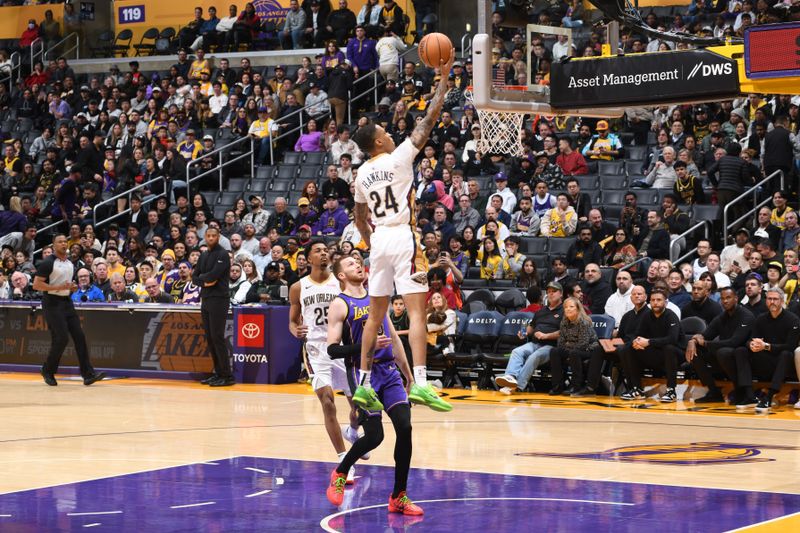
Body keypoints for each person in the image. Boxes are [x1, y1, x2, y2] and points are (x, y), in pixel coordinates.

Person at [350, 48, 456, 413]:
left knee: (375, 316)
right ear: (378, 142)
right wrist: (443, 79)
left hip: (377, 240)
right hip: (401, 236)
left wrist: (368, 241)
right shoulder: (398, 157)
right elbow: (427, 121)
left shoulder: (361, 174)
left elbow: (359, 215)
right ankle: (422, 384)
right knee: (416, 309)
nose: (389, 133)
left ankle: (363, 385)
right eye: (384, 131)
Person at [325, 255, 420, 515]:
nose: (357, 264)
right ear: (341, 275)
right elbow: (332, 349)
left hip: (389, 372)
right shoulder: (340, 304)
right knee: (376, 436)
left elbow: (394, 341)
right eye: (350, 264)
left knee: (405, 426)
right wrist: (366, 346)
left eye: (358, 261)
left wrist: (409, 376)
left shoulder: (378, 298)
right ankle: (341, 472)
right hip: (362, 373)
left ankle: (398, 496)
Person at [289, 241, 361, 482]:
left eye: (324, 250)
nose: (322, 253)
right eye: (317, 250)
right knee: (327, 401)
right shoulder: (298, 287)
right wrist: (294, 330)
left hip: (342, 346)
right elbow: (292, 320)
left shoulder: (340, 281)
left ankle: (352, 431)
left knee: (358, 406)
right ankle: (344, 460)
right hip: (316, 349)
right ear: (308, 257)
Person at [32, 235, 106, 387]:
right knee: (61, 338)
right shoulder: (48, 263)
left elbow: (67, 285)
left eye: (65, 241)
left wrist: (72, 288)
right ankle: (48, 370)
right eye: (60, 242)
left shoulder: (70, 264)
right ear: (54, 245)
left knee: (79, 336)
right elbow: (37, 285)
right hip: (51, 303)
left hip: (66, 302)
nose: (63, 244)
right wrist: (58, 288)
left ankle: (88, 374)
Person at [732, 287, 799, 413]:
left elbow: (791, 346)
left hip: (783, 364)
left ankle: (769, 397)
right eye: (769, 299)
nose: (772, 302)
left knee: (786, 354)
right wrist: (751, 345)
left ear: (782, 301)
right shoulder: (761, 319)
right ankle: (750, 396)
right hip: (764, 362)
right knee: (741, 350)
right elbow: (750, 339)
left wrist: (766, 346)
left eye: (775, 299)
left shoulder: (793, 319)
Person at [686, 286, 754, 404]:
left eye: (728, 298)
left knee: (724, 352)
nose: (725, 301)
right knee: (695, 353)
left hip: (744, 358)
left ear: (736, 298)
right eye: (722, 298)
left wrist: (706, 343)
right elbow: (705, 334)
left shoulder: (746, 316)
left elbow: (735, 342)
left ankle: (740, 390)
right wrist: (693, 341)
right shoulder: (722, 317)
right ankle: (714, 392)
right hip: (723, 356)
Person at [494, 282, 564, 394]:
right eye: (549, 292)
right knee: (517, 351)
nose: (551, 294)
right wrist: (523, 332)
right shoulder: (541, 311)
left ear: (561, 294)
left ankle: (517, 387)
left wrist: (546, 336)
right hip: (535, 343)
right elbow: (531, 326)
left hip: (551, 346)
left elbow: (564, 332)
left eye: (554, 291)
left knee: (534, 356)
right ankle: (510, 378)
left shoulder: (565, 311)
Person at [619, 288, 682, 402]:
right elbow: (638, 334)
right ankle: (636, 389)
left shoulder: (671, 316)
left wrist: (648, 342)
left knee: (669, 348)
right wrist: (636, 342)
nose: (655, 303)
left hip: (675, 354)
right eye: (653, 300)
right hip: (656, 352)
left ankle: (671, 390)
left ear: (665, 302)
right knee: (628, 348)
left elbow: (672, 339)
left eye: (659, 300)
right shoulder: (647, 315)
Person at [191, 228, 233, 386]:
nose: (210, 238)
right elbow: (195, 277)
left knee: (217, 337)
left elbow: (213, 276)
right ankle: (218, 372)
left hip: (219, 299)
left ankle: (227, 376)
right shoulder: (203, 255)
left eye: (213, 236)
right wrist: (204, 281)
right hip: (206, 298)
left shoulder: (222, 254)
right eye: (208, 236)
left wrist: (204, 278)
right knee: (210, 338)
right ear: (204, 237)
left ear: (218, 237)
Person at [548, 297, 600, 395]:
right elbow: (561, 342)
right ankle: (558, 385)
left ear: (578, 309)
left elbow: (583, 343)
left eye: (571, 306)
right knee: (554, 351)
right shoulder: (564, 322)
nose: (568, 309)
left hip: (589, 350)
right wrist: (567, 346)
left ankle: (576, 386)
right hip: (573, 349)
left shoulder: (584, 322)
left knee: (574, 353)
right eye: (566, 307)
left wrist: (569, 345)